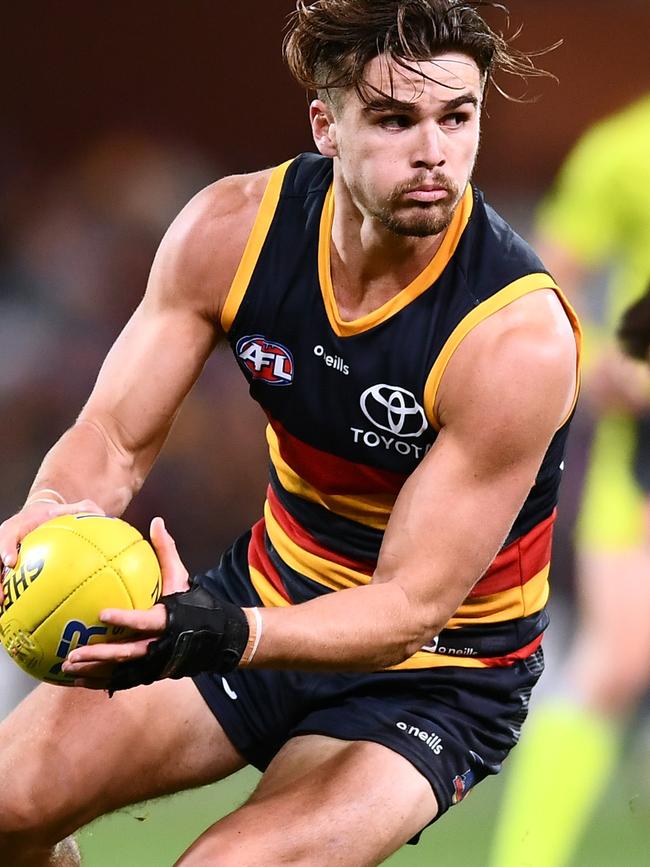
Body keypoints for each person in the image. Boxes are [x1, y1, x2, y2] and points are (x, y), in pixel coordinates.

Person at [0, 2, 580, 865]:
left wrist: (224, 630)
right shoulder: (230, 231)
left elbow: (407, 609)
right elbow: (113, 438)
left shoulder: (514, 339)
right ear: (327, 127)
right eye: (394, 118)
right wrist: (50, 504)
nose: (434, 151)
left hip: (436, 674)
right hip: (270, 589)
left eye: (458, 117)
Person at [488, 94, 650, 867]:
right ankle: (527, 858)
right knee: (619, 656)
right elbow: (547, 282)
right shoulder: (624, 149)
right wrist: (605, 370)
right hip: (645, 451)